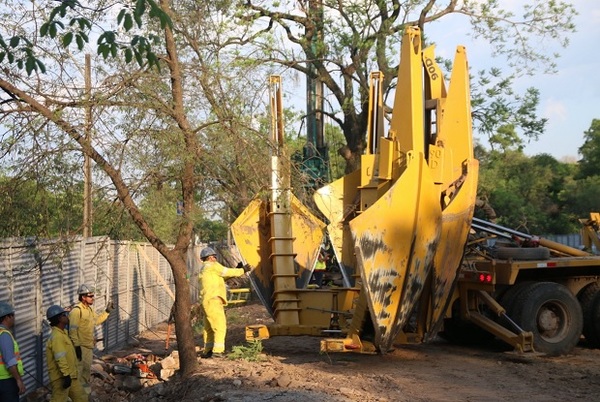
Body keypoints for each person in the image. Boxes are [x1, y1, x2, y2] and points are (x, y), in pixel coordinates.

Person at [198, 247, 249, 358]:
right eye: (214, 256)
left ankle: (208, 351)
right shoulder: (213, 266)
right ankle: (218, 351)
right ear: (210, 257)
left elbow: (222, 277)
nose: (215, 258)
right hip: (214, 300)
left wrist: (236, 270)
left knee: (209, 328)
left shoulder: (204, 269)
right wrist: (243, 270)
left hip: (205, 302)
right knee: (219, 326)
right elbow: (226, 271)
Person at [68, 285, 114, 395]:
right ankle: (75, 396)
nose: (92, 298)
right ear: (83, 297)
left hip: (88, 346)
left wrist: (107, 311)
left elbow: (96, 320)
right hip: (80, 347)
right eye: (90, 296)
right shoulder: (76, 311)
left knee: (86, 372)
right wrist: (77, 346)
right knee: (77, 373)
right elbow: (72, 331)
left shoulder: (89, 310)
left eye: (93, 296)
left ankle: (84, 395)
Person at [45, 305, 88, 402]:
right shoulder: (57, 337)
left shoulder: (63, 333)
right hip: (61, 378)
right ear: (60, 318)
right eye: (64, 315)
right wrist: (65, 375)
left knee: (81, 398)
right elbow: (60, 357)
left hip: (71, 376)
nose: (67, 316)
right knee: (59, 399)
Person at [0, 302, 25, 401]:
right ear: (7, 317)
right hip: (6, 381)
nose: (14, 318)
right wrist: (18, 380)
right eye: (13, 315)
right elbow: (9, 361)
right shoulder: (4, 334)